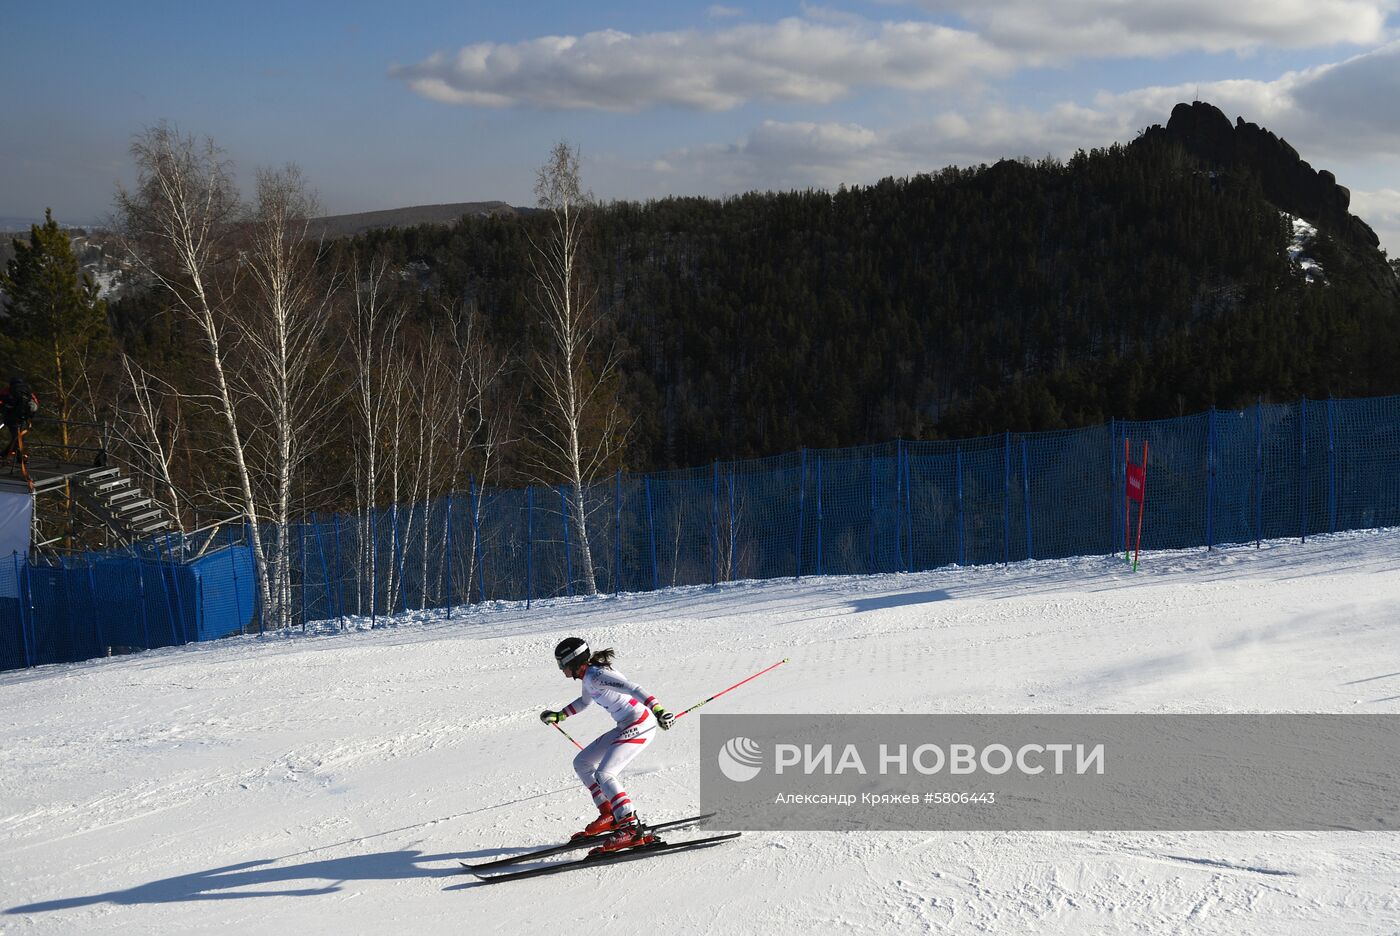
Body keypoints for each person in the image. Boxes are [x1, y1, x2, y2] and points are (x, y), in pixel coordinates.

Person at [540, 637, 676, 854]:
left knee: (605, 774)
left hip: (640, 724)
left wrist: (659, 711)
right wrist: (560, 714)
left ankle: (630, 826)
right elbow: (585, 702)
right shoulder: (588, 678)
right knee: (582, 762)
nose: (561, 669)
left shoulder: (598, 675)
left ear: (573, 661)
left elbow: (633, 688)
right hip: (625, 724)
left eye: (561, 664)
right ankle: (609, 813)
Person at [0, 377, 38, 469]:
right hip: (24, 418)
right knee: (19, 437)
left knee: (17, 437)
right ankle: (19, 457)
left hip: (11, 418)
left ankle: (7, 455)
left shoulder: (7, 391)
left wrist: (5, 410)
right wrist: (30, 416)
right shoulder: (28, 392)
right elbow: (34, 405)